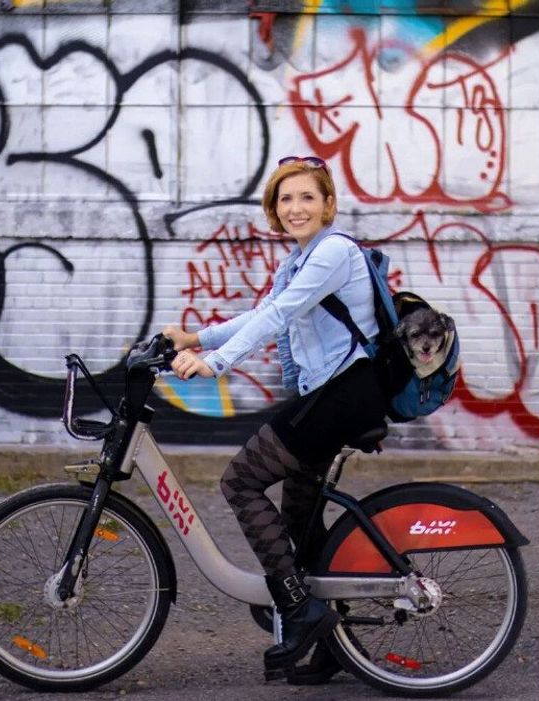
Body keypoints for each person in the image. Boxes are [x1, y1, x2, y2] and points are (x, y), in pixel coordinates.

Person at [163, 155, 386, 682]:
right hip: (330, 393)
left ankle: (299, 609)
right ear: (274, 208)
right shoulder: (299, 260)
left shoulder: (333, 252)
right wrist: (196, 337)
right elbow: (265, 311)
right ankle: (334, 647)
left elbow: (281, 314)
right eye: (285, 199)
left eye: (307, 197)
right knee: (300, 523)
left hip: (342, 395)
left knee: (240, 481)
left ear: (328, 204)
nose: (295, 207)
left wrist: (214, 363)